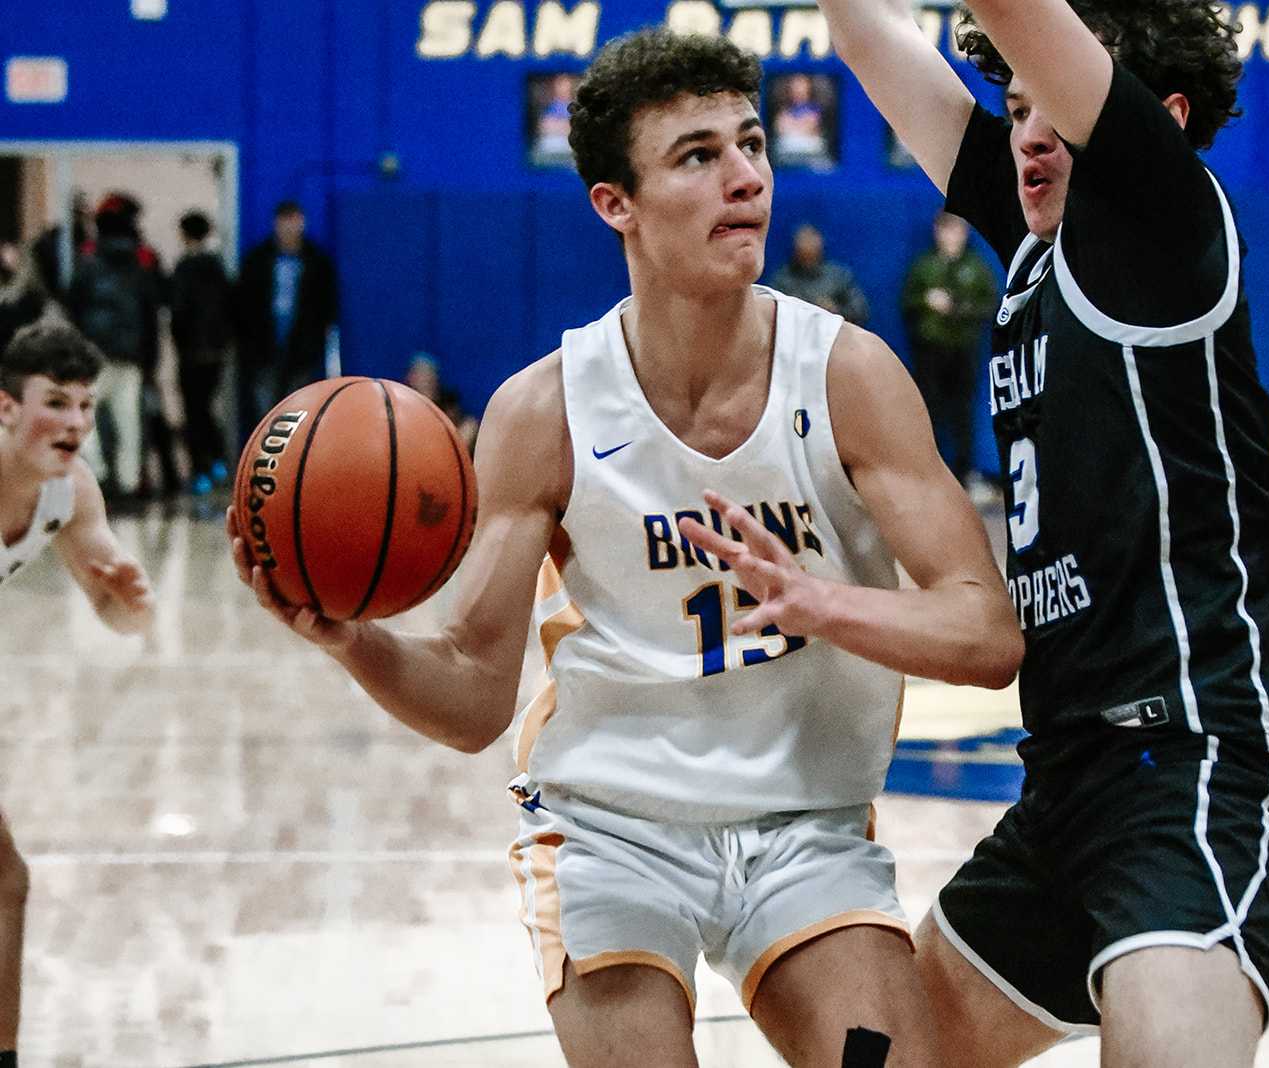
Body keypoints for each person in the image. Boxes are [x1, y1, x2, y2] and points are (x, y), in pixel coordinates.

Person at [227, 28, 1021, 1068]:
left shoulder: (848, 378)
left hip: (807, 825)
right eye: (698, 156)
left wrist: (825, 605)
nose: (744, 177)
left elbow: (987, 631)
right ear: (616, 203)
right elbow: (473, 696)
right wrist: (349, 641)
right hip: (611, 830)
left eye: (750, 144)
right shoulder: (544, 410)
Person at [819, 0, 1269, 1062]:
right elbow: (868, 40)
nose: (1025, 131)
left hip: (1191, 757)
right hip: (1066, 779)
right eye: (1011, 109)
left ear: (1156, 121)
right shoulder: (1035, 242)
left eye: (1050, 104)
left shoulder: (1158, 216)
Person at [0, 320, 155, 1064]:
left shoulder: (67, 490)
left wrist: (129, 597)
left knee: (6, 882)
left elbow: (118, 615)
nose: (74, 423)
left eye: (86, 406)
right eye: (55, 403)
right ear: (5, 408)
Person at [67, 198, 162, 504]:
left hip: (94, 356)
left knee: (84, 420)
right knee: (129, 425)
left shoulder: (87, 265)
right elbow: (151, 315)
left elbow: (74, 307)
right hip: (130, 356)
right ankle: (129, 483)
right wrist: (150, 360)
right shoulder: (140, 266)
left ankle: (97, 474)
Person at [901, 212, 998, 494]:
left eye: (956, 230)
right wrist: (926, 301)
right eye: (946, 230)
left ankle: (964, 473)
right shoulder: (924, 266)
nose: (951, 236)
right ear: (937, 232)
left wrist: (956, 307)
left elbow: (988, 304)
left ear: (964, 233)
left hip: (964, 349)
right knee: (929, 410)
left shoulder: (976, 268)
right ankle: (927, 474)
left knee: (962, 413)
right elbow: (908, 301)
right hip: (930, 350)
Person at [235, 201, 339, 432]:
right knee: (265, 413)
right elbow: (243, 304)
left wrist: (315, 341)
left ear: (302, 223)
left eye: (294, 222)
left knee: (297, 411)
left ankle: (292, 463)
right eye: (285, 223)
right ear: (276, 224)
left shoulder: (316, 261)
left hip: (301, 349)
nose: (289, 229)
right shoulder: (258, 260)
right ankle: (265, 460)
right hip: (263, 348)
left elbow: (326, 305)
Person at [170, 211, 235, 494]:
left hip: (191, 352)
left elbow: (179, 311)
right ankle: (218, 460)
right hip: (216, 352)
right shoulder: (218, 268)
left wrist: (179, 342)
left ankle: (201, 470)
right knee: (208, 408)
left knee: (194, 411)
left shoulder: (184, 268)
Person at [769, 224, 869, 326]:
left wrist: (836, 310)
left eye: (811, 239)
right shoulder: (782, 279)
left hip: (834, 336)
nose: (807, 245)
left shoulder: (839, 276)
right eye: (802, 240)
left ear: (820, 243)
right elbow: (770, 315)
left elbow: (860, 311)